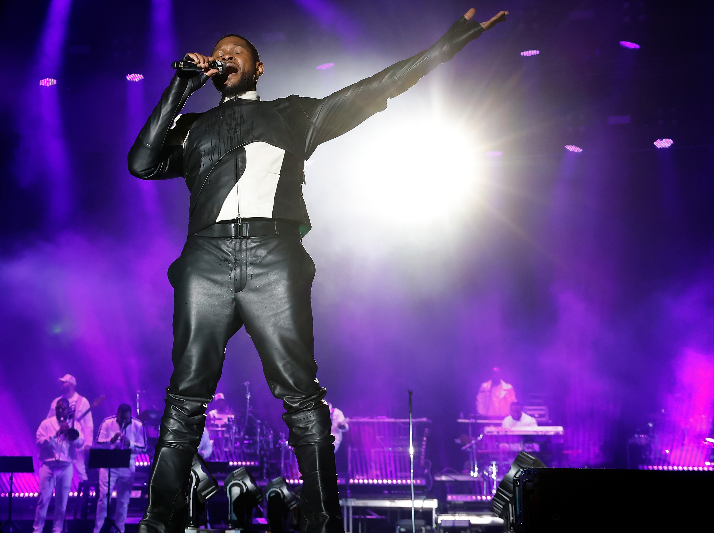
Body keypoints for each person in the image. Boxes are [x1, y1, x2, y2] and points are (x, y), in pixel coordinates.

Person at [127, 8, 507, 533]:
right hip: (205, 260)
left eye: (237, 49)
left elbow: (374, 89)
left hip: (273, 256)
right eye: (220, 51)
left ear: (259, 67)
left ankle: (322, 519)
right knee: (186, 393)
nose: (225, 55)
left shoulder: (293, 114)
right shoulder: (192, 125)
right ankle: (158, 520)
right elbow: (141, 162)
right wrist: (180, 86)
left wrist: (452, 42)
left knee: (300, 391)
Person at [33, 398, 86, 533]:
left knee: (62, 503)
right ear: (55, 409)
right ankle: (37, 530)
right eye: (58, 408)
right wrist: (56, 434)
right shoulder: (46, 424)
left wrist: (70, 433)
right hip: (48, 466)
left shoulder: (75, 425)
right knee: (43, 501)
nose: (61, 410)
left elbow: (80, 443)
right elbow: (39, 442)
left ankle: (57, 531)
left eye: (63, 408)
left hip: (66, 466)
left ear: (68, 410)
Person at [94, 404, 146, 533]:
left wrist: (130, 444)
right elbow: (98, 442)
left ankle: (119, 529)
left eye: (126, 419)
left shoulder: (138, 425)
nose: (124, 421)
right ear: (117, 414)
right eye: (121, 418)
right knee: (104, 498)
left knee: (123, 500)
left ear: (130, 416)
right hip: (108, 465)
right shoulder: (107, 422)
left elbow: (144, 447)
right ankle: (98, 529)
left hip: (127, 465)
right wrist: (111, 440)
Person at [48, 374, 95, 481]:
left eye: (64, 382)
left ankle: (85, 494)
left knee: (80, 470)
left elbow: (88, 424)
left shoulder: (82, 401)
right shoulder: (56, 402)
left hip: (76, 440)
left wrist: (88, 443)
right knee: (58, 468)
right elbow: (49, 420)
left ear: (71, 385)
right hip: (59, 441)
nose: (61, 384)